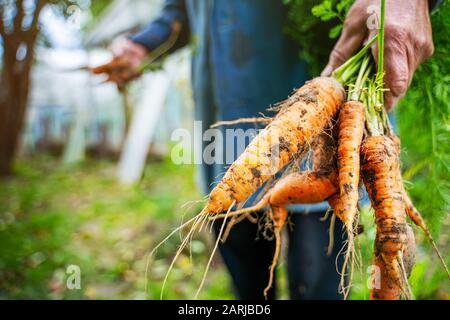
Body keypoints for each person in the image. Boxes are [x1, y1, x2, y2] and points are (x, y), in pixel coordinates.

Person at [107, 0, 437, 299]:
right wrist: (143, 44)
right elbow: (179, 10)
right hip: (223, 128)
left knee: (316, 283)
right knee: (245, 280)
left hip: (318, 121)